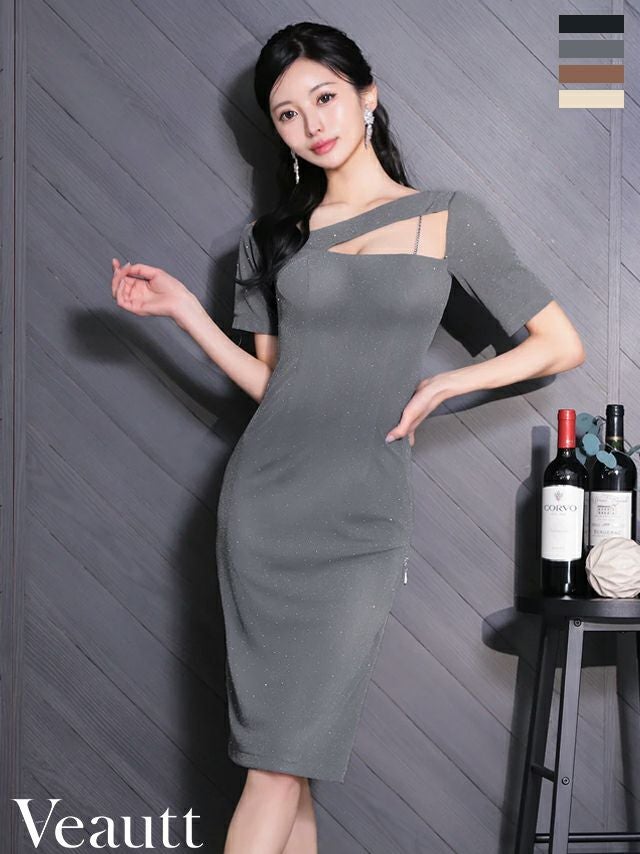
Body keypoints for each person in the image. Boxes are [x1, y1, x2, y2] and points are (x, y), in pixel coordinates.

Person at [110, 21, 585, 854]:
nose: (312, 124)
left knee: (288, 759)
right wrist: (186, 310)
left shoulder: (446, 217)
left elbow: (560, 344)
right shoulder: (271, 240)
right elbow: (275, 385)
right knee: (279, 766)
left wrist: (445, 382)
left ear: (367, 94)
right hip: (266, 509)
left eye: (325, 97)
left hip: (363, 518)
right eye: (287, 114)